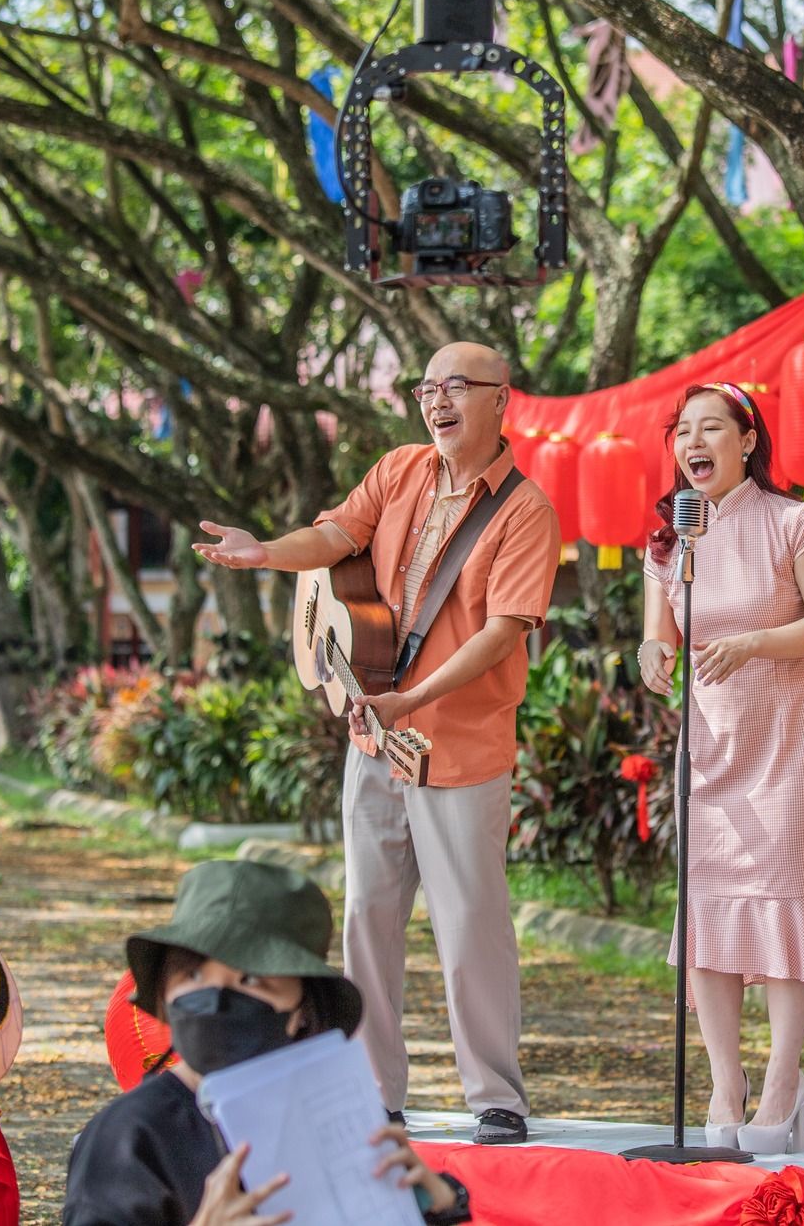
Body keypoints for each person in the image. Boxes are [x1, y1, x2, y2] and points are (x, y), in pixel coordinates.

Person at [195, 343, 561, 1146]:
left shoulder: (527, 511)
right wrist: (265, 552)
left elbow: (503, 633)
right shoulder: (397, 469)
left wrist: (415, 696)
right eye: (428, 387)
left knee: (469, 922)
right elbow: (332, 537)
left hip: (460, 744)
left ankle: (496, 1094)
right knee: (367, 915)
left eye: (456, 386)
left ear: (503, 400)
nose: (438, 400)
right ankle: (372, 1089)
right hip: (375, 738)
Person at [638, 383, 804, 1155]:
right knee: (709, 905)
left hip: (786, 736)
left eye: (712, 428)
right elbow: (659, 633)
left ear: (747, 439)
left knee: (782, 897)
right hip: (710, 741)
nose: (693, 442)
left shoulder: (792, 519)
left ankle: (782, 1079)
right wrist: (653, 653)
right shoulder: (671, 536)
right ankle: (724, 1080)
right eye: (683, 431)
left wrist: (753, 644)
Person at [62, 859, 471, 1226]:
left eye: (252, 979)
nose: (218, 998)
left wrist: (435, 1205)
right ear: (165, 997)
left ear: (302, 1010)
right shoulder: (126, 1137)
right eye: (194, 976)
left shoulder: (338, 1119)